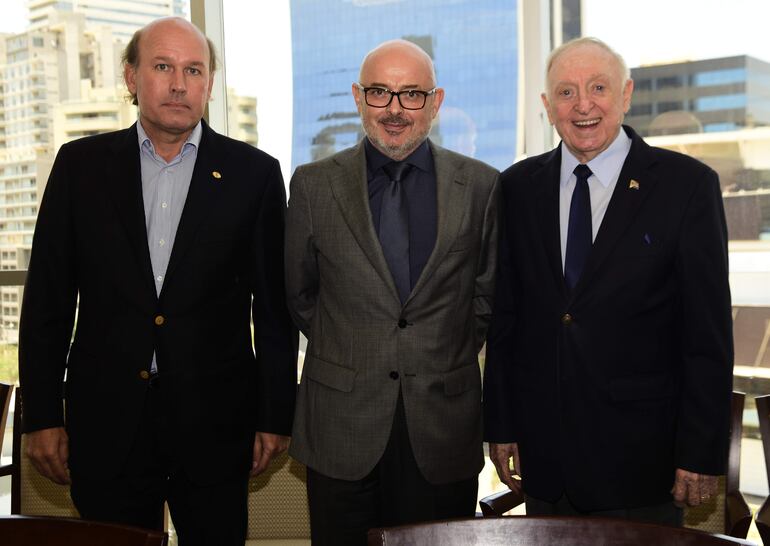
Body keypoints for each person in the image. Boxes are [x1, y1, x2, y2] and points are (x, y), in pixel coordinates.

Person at [18, 17, 297, 546]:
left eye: (194, 70)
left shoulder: (254, 174)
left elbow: (273, 310)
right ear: (131, 77)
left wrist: (275, 415)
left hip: (216, 425)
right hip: (106, 423)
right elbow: (47, 303)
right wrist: (43, 416)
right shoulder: (80, 167)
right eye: (163, 66)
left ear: (209, 84)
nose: (179, 84)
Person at [483, 36, 733, 526]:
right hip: (546, 458)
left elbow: (707, 334)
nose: (583, 105)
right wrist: (502, 424)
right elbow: (506, 318)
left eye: (598, 87)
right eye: (566, 92)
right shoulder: (516, 187)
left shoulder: (686, 186)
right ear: (547, 106)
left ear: (626, 95)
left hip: (643, 461)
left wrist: (700, 451)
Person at [285, 39, 499, 545]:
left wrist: (436, 350)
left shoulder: (482, 186)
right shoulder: (313, 185)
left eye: (412, 94)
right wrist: (356, 346)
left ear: (436, 102)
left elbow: (487, 297)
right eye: (380, 92)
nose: (395, 109)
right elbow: (299, 294)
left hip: (441, 425)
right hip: (341, 425)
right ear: (358, 97)